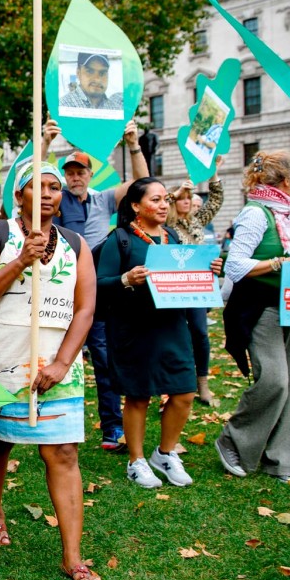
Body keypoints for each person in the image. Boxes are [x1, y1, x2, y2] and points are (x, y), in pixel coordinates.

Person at [0, 159, 100, 580]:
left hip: (56, 364)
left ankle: (72, 556)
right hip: (2, 361)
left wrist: (62, 363)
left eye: (54, 187)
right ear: (17, 194)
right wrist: (21, 260)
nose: (46, 193)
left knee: (62, 454)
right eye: (36, 186)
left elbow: (85, 309)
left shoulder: (76, 245)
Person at [96, 178, 222, 489]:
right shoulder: (121, 239)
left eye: (166, 199)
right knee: (138, 396)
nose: (164, 205)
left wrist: (207, 272)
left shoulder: (172, 239)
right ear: (136, 206)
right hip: (133, 327)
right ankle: (136, 461)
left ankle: (164, 453)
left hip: (171, 326)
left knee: (184, 391)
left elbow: (183, 280)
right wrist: (126, 278)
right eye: (155, 200)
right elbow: (99, 283)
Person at [42, 118, 149, 451]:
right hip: (57, 289)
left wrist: (132, 144)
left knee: (103, 357)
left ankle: (111, 428)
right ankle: (41, 421)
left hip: (97, 290)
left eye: (80, 172)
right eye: (70, 172)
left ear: (90, 175)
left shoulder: (103, 201)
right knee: (51, 354)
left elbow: (143, 183)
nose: (75, 176)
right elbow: (33, 182)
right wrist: (44, 144)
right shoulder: (54, 201)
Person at [218, 150, 290, 482]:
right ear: (288, 180)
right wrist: (281, 263)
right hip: (259, 307)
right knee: (275, 380)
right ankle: (233, 439)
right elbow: (234, 266)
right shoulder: (255, 213)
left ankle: (284, 461)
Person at [167, 160, 225, 406]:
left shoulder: (197, 222)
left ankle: (202, 382)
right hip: (172, 288)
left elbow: (215, 201)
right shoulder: (165, 226)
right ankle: (173, 386)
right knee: (175, 335)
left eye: (190, 198)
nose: (187, 201)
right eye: (183, 198)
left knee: (200, 333)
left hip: (198, 287)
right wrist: (174, 193)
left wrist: (213, 174)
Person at [59, 52, 125, 112]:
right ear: (78, 73)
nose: (97, 79)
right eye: (90, 71)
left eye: (102, 73)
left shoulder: (117, 110)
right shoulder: (63, 106)